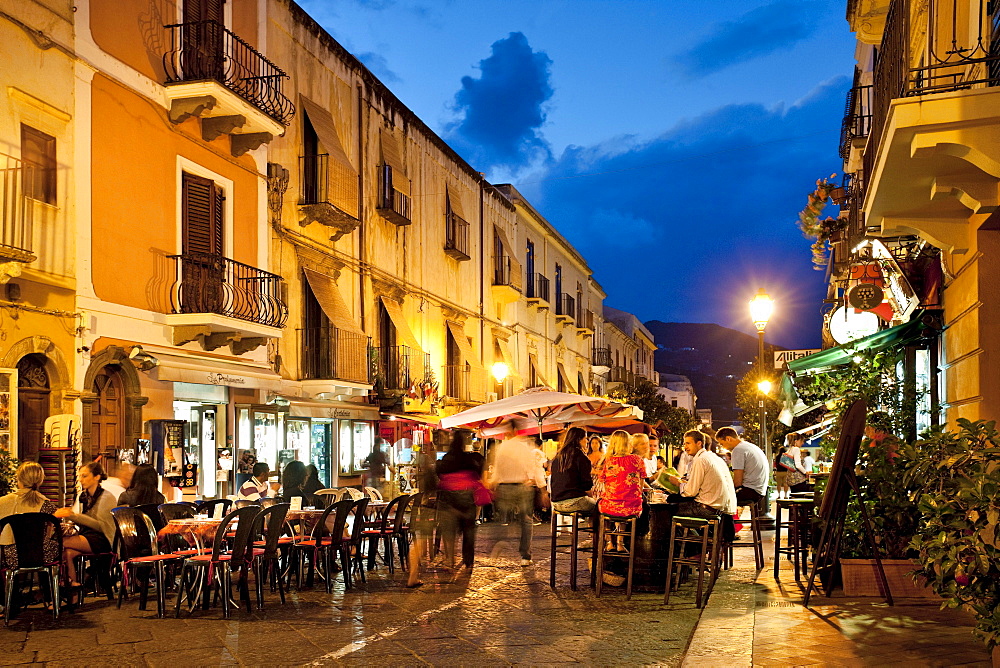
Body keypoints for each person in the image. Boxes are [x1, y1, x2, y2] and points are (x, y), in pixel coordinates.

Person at [54, 462, 118, 594]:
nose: (81, 480)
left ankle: (59, 584)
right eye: (80, 476)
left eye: (84, 476)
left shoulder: (107, 497)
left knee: (60, 543)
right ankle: (74, 591)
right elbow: (83, 521)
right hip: (87, 536)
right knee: (67, 554)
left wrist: (72, 516)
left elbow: (100, 526)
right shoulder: (83, 496)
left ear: (97, 477)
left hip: (103, 539)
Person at [489, 427, 546, 566]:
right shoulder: (524, 447)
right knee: (526, 520)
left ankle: (501, 540)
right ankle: (525, 556)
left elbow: (497, 469)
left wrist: (493, 483)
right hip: (522, 486)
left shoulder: (501, 448)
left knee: (503, 518)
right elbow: (533, 468)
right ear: (516, 430)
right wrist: (542, 488)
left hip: (504, 486)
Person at [436, 431, 484, 570]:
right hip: (467, 498)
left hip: (448, 499)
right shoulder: (468, 459)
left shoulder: (446, 459)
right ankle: (468, 562)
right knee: (469, 532)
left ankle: (449, 560)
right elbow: (478, 473)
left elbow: (438, 472)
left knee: (449, 532)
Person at [664, 429, 737, 520]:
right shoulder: (713, 457)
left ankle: (678, 534)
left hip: (706, 508)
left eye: (688, 443)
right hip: (720, 507)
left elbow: (690, 492)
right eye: (684, 444)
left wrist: (677, 483)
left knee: (665, 509)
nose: (685, 447)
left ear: (699, 443)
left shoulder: (701, 460)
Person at [0, 462, 59, 568]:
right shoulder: (45, 503)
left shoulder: (2, 502)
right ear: (40, 480)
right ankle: (57, 582)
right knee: (64, 549)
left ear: (19, 479)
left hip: (9, 557)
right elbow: (52, 528)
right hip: (41, 555)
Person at [597, 430, 646, 551]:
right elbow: (641, 483)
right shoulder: (637, 459)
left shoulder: (607, 461)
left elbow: (603, 482)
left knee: (603, 504)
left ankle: (609, 542)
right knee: (625, 502)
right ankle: (620, 542)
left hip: (610, 506)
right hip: (632, 507)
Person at [407, 443, 440, 587]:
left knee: (420, 541)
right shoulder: (432, 474)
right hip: (428, 511)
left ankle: (414, 575)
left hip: (423, 510)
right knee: (419, 542)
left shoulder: (424, 475)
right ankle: (413, 576)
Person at [716, 427, 769, 506]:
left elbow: (737, 482)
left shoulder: (738, 450)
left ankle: (726, 518)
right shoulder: (748, 446)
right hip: (760, 491)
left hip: (750, 491)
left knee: (716, 498)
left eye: (722, 443)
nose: (722, 447)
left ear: (728, 439)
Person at [549, 426, 596, 515]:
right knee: (599, 506)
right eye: (586, 439)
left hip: (556, 503)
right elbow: (587, 485)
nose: (587, 441)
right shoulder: (581, 457)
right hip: (575, 502)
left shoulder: (558, 457)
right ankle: (595, 529)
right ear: (579, 439)